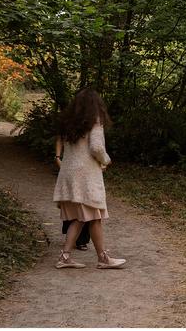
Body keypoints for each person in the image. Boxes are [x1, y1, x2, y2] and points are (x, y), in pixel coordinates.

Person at [52, 87, 126, 269]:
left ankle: (65, 257)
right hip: (85, 177)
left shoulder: (69, 123)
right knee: (94, 216)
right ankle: (103, 259)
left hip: (68, 176)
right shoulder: (95, 121)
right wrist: (106, 160)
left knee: (80, 217)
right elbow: (97, 148)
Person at [55, 140, 90, 251]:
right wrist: (57, 157)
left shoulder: (90, 124)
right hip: (70, 166)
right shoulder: (67, 123)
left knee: (86, 203)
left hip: (86, 166)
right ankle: (72, 236)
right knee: (71, 201)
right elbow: (59, 138)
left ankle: (82, 240)